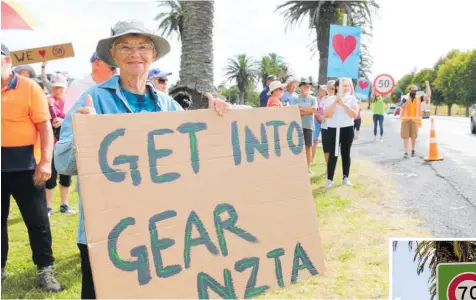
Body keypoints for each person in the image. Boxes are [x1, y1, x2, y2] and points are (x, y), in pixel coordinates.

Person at [54, 20, 231, 299]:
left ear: (154, 55)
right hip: (107, 233)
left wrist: (219, 120)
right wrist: (80, 133)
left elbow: (197, 161)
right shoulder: (92, 101)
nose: (134, 53)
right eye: (125, 46)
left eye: (142, 47)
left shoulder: (169, 106)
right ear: (114, 55)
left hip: (161, 230)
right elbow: (63, 165)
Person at [1, 43, 61, 291]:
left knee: (37, 221)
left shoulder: (29, 87)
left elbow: (45, 127)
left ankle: (45, 270)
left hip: (28, 167)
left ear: (7, 61)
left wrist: (46, 162)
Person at [44, 74, 74, 216]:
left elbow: (76, 118)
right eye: (55, 88)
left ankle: (64, 204)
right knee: (50, 177)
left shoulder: (71, 102)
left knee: (66, 176)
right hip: (52, 144)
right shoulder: (46, 101)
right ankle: (48, 207)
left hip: (67, 144)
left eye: (60, 88)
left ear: (66, 88)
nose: (58, 91)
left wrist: (64, 121)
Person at [323, 78, 359, 188]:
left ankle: (345, 178)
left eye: (348, 86)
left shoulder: (352, 99)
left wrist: (343, 104)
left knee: (346, 153)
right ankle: (329, 179)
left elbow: (354, 114)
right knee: (333, 154)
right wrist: (335, 102)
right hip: (333, 128)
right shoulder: (330, 99)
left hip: (347, 128)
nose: (347, 88)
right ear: (337, 87)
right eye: (344, 85)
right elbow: (328, 114)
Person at [289, 78, 317, 174]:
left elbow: (314, 110)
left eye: (309, 85)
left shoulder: (313, 99)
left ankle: (307, 168)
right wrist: (307, 110)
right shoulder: (295, 98)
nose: (307, 87)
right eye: (305, 85)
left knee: (308, 148)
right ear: (301, 87)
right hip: (297, 126)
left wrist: (301, 110)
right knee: (296, 148)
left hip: (308, 126)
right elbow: (294, 111)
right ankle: (296, 167)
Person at [400, 82, 431, 158]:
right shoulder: (405, 98)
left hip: (415, 121)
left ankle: (413, 150)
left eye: (415, 91)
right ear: (409, 90)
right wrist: (408, 100)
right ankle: (406, 152)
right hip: (405, 120)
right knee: (406, 137)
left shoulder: (419, 98)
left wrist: (427, 85)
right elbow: (403, 107)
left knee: (413, 137)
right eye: (412, 91)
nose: (413, 92)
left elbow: (428, 95)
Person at [320, 80, 335, 175]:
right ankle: (327, 167)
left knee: (333, 149)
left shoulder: (338, 98)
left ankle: (332, 168)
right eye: (330, 88)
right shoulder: (324, 99)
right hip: (325, 126)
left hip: (334, 126)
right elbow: (322, 112)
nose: (332, 90)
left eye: (333, 88)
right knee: (326, 149)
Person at [311, 85, 328, 164]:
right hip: (316, 121)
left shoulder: (328, 100)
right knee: (314, 141)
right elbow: (313, 110)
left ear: (325, 92)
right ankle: (311, 159)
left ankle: (327, 162)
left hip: (325, 122)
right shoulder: (316, 99)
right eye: (319, 90)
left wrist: (323, 117)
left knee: (326, 142)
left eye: (322, 90)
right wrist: (318, 116)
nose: (320, 91)